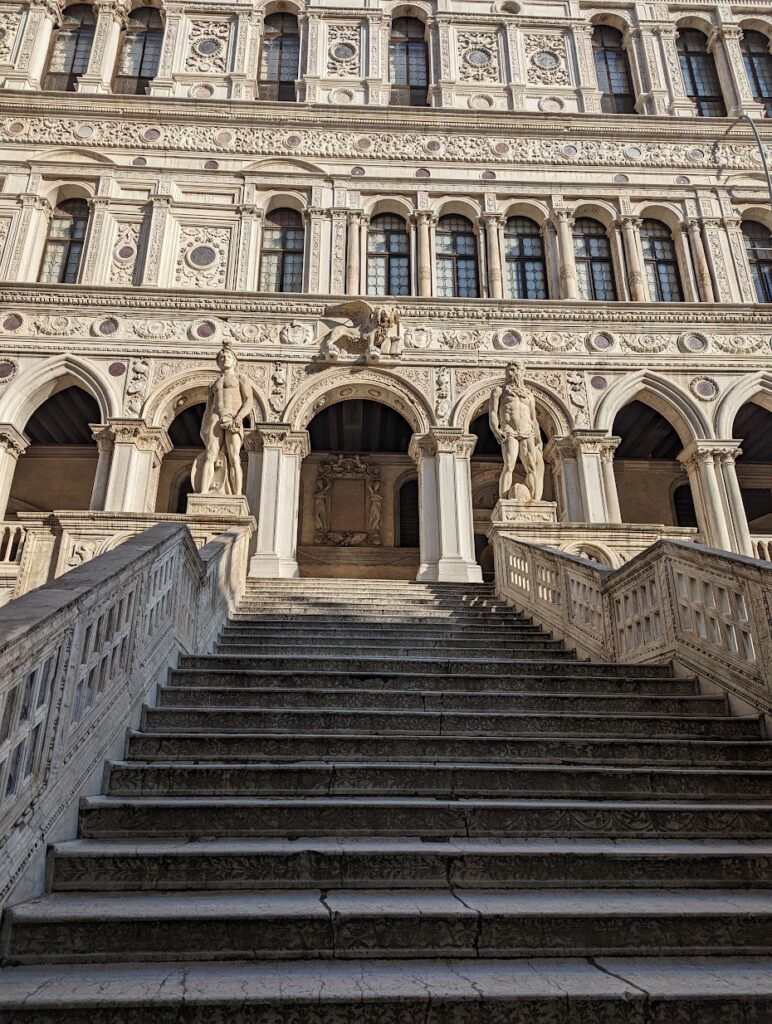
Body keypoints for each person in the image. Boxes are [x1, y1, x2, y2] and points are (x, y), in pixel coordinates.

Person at [192, 342, 252, 496]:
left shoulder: (241, 378)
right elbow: (209, 407)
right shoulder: (214, 383)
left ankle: (237, 494)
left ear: (234, 360)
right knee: (210, 455)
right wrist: (204, 428)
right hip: (216, 418)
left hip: (233, 417)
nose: (224, 358)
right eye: (221, 357)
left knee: (234, 457)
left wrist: (238, 418)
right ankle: (204, 492)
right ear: (218, 362)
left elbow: (248, 402)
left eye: (228, 356)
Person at [488, 361, 545, 501]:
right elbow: (493, 413)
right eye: (509, 370)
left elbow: (533, 419)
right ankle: (503, 500)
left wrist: (539, 439)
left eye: (514, 370)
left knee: (531, 466)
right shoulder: (499, 391)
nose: (510, 373)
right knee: (509, 465)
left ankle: (535, 499)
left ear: (521, 372)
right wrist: (495, 428)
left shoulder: (529, 395)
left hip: (527, 431)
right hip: (509, 431)